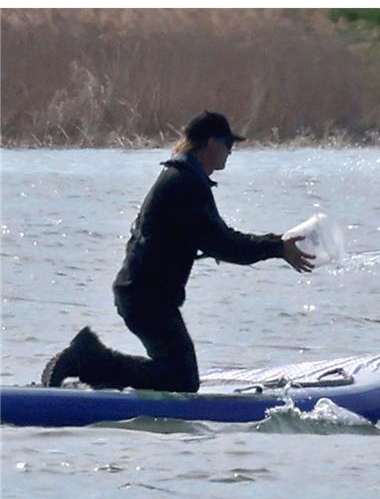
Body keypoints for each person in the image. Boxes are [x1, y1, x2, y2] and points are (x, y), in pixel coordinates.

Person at [41, 111, 315, 392]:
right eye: (228, 144)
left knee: (174, 373)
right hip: (148, 298)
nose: (231, 152)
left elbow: (202, 238)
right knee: (181, 379)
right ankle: (88, 359)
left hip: (142, 294)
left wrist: (273, 247)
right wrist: (278, 247)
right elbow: (225, 244)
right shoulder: (185, 184)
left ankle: (91, 365)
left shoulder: (180, 177)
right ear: (211, 143)